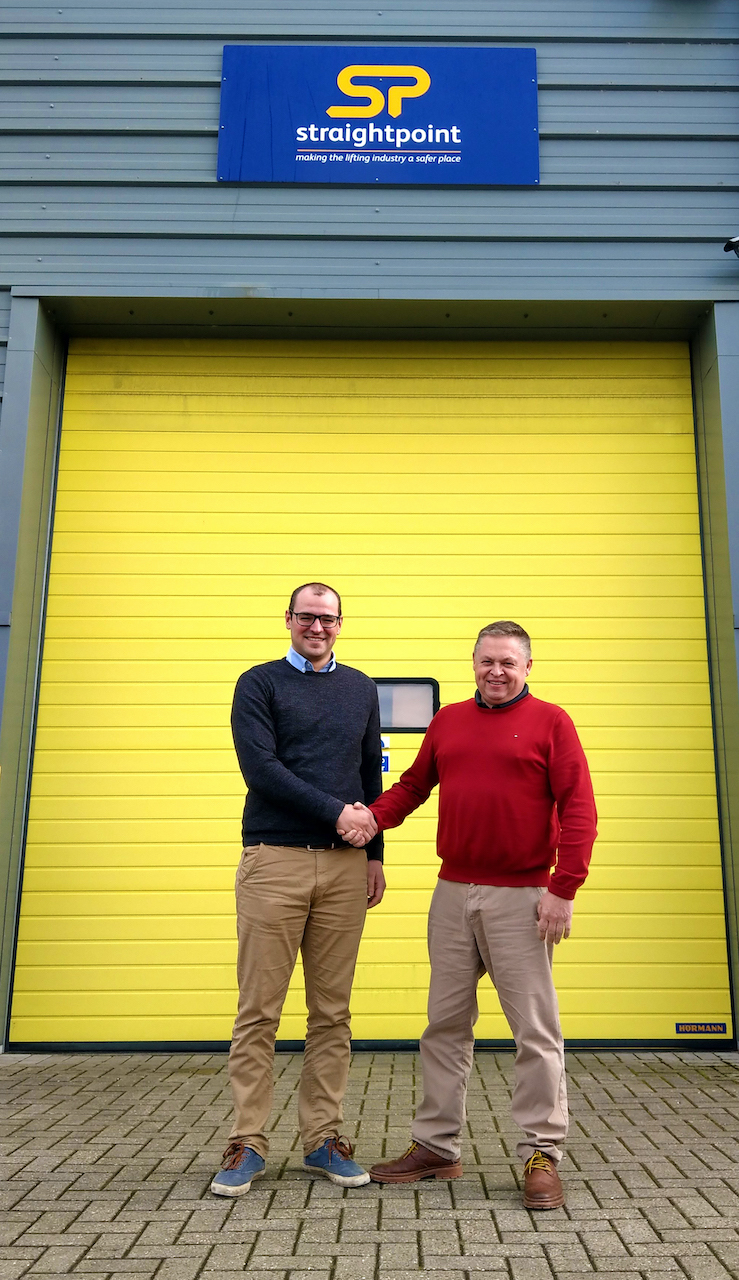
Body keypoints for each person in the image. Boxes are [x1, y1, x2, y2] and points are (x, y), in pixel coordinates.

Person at [345, 620, 596, 1209]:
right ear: (474, 664)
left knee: (535, 1031)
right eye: (487, 661)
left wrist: (565, 888)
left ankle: (542, 1153)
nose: (497, 671)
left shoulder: (552, 722)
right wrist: (370, 819)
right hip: (454, 892)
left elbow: (579, 806)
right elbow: (411, 786)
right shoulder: (449, 720)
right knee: (444, 1025)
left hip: (523, 898)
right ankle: (436, 1147)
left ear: (528, 667)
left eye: (509, 662)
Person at [210, 582, 384, 1197]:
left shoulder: (362, 689)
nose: (317, 626)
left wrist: (373, 853)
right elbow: (262, 769)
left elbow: (370, 772)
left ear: (341, 624)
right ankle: (248, 1141)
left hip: (344, 867)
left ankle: (321, 1141)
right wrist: (338, 812)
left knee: (331, 1014)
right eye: (307, 616)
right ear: (287, 619)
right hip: (274, 860)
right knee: (259, 1011)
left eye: (328, 618)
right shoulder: (257, 684)